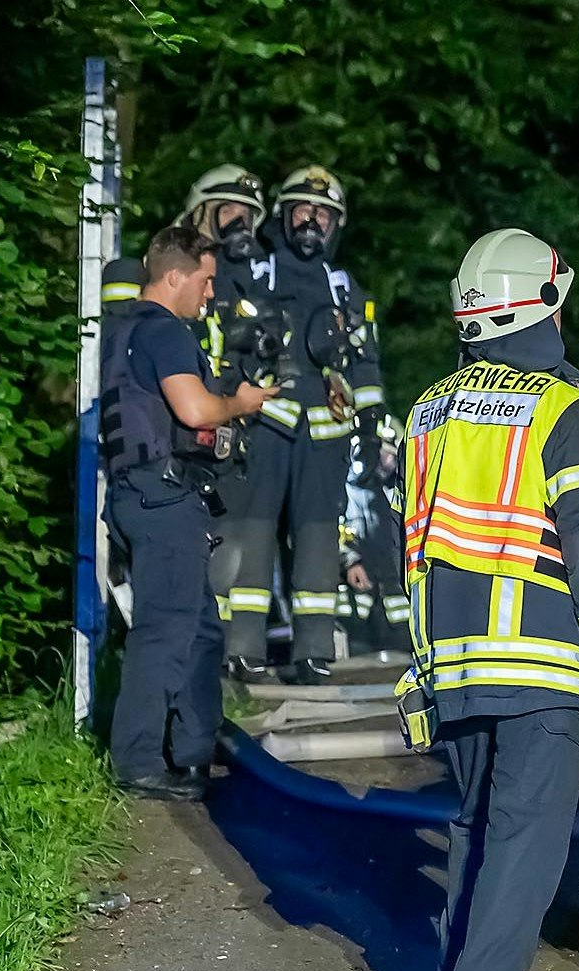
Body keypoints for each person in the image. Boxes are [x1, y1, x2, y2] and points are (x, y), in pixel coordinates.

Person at [401, 228, 579, 971]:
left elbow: (420, 545)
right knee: (522, 849)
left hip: (456, 664)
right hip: (541, 664)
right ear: (542, 304)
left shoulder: (428, 406)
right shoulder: (562, 410)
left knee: (473, 834)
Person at [101, 227, 278, 799]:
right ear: (174, 275)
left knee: (200, 630)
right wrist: (241, 403)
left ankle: (194, 753)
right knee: (165, 631)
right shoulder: (166, 333)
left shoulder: (123, 330)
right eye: (204, 280)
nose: (209, 294)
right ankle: (138, 763)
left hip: (144, 494)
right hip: (163, 498)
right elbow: (196, 409)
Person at [227, 165, 387, 684]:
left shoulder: (345, 287)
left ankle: (313, 650)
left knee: (318, 541)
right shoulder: (259, 271)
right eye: (303, 210)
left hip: (325, 437)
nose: (312, 221)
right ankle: (242, 648)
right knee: (252, 537)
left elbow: (364, 361)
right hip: (266, 426)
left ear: (335, 223)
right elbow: (229, 339)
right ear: (283, 217)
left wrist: (372, 418)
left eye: (323, 213)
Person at [176, 165, 290, 658]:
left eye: (247, 215)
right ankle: (203, 649)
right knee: (199, 540)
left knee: (243, 544)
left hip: (242, 429)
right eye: (229, 212)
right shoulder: (178, 267)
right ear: (202, 212)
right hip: (190, 424)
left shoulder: (254, 277)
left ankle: (234, 652)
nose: (240, 224)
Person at [339, 413, 410, 655]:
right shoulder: (347, 489)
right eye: (383, 454)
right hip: (356, 605)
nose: (386, 463)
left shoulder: (402, 493)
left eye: (392, 456)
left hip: (397, 608)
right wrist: (350, 562)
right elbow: (335, 530)